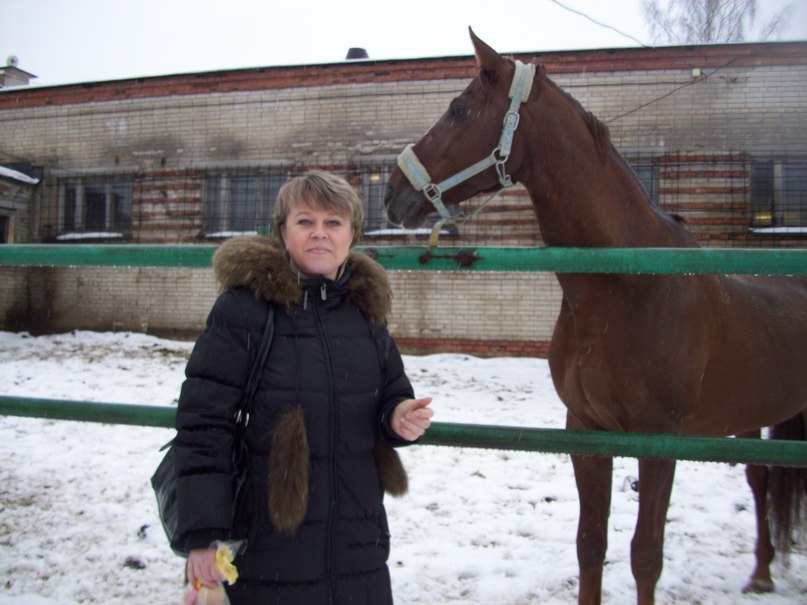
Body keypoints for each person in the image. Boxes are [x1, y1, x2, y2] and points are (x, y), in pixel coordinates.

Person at [170, 170, 433, 604]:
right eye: (305, 221)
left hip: (358, 543)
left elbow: (391, 392)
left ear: (352, 234)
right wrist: (203, 535)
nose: (319, 233)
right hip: (270, 545)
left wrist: (399, 416)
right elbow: (203, 424)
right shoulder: (244, 309)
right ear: (283, 231)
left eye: (333, 222)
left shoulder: (365, 310)